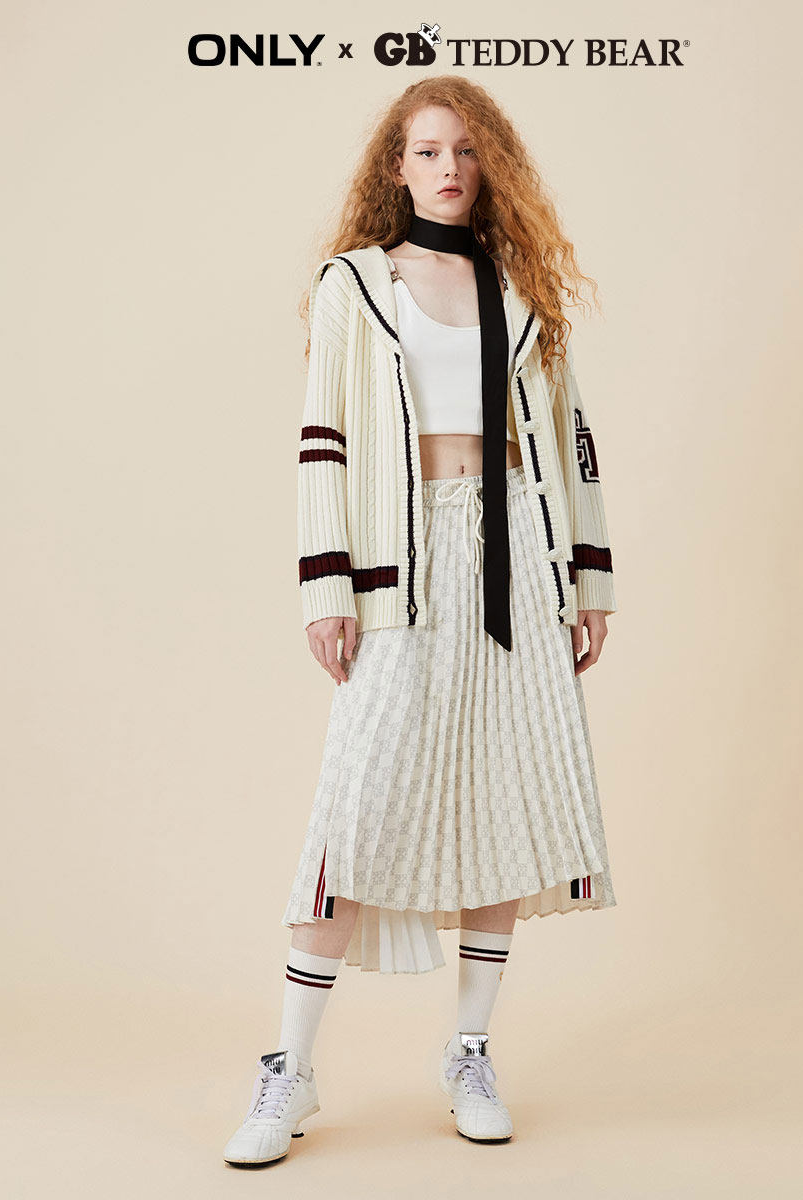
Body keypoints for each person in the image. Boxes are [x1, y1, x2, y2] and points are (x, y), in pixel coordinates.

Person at [224, 76, 619, 1166]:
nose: (449, 167)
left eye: (467, 150)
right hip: (401, 563)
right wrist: (328, 588)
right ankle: (289, 1070)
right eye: (428, 150)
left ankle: (470, 1051)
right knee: (354, 807)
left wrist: (587, 580)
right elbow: (323, 440)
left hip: (515, 555)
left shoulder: (520, 288)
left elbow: (572, 440)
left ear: (492, 166)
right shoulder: (355, 285)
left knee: (502, 795)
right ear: (396, 168)